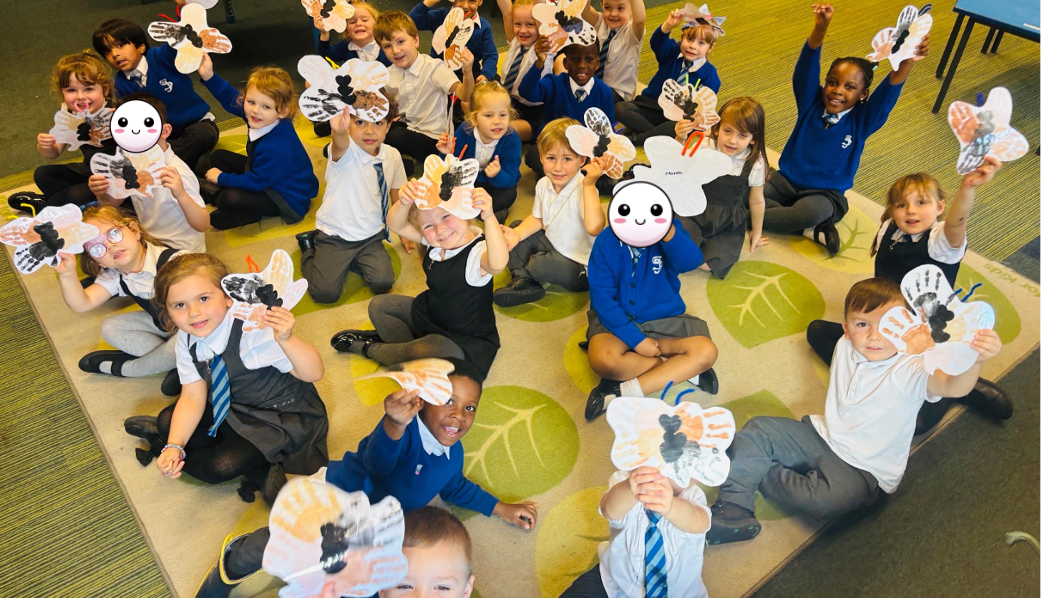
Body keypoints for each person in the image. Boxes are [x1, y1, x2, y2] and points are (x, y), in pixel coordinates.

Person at [193, 361, 536, 598]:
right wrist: (394, 423)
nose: (458, 415)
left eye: (469, 407)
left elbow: (453, 485)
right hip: (333, 503)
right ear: (422, 400)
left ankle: (279, 491)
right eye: (447, 401)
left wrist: (499, 507)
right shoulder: (402, 433)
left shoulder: (452, 453)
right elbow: (378, 461)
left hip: (371, 530)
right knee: (286, 547)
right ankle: (236, 556)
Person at [707, 277, 1002, 545]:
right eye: (863, 325)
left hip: (863, 468)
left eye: (888, 326)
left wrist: (974, 361)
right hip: (821, 434)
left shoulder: (912, 368)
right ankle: (734, 508)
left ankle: (756, 468)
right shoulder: (844, 344)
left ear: (907, 330)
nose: (874, 336)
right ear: (846, 329)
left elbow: (953, 387)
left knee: (824, 503)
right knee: (757, 428)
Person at [806, 158, 1012, 434]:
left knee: (918, 424)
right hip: (886, 328)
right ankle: (886, 374)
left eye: (921, 203)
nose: (910, 211)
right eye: (901, 204)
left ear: (939, 208)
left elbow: (956, 224)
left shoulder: (941, 240)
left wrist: (968, 188)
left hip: (926, 338)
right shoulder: (889, 227)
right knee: (817, 332)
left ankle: (961, 387)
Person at [122, 253, 329, 504]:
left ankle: (260, 466)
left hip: (276, 415)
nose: (194, 313)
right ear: (166, 310)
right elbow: (192, 396)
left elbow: (314, 373)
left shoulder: (255, 333)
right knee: (169, 421)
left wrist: (287, 340)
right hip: (232, 405)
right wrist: (175, 446)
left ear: (229, 298)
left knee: (220, 466)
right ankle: (170, 440)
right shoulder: (187, 339)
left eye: (204, 299)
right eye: (180, 305)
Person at [763, 3, 929, 255]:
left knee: (811, 212)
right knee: (747, 194)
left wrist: (906, 61)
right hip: (783, 182)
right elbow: (805, 70)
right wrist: (820, 29)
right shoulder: (810, 103)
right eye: (832, 82)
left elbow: (888, 93)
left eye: (849, 87)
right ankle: (808, 229)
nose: (838, 90)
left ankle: (786, 220)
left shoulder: (863, 121)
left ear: (863, 95)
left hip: (823, 195)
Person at [331, 183, 509, 380]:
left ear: (464, 211)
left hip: (463, 339)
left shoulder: (479, 254)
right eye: (428, 226)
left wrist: (490, 217)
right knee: (378, 306)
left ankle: (371, 348)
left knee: (443, 358)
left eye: (445, 216)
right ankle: (408, 353)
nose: (440, 230)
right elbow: (396, 224)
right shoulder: (433, 242)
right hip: (430, 315)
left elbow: (497, 263)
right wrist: (404, 203)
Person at [585, 182, 718, 421]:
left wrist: (669, 235)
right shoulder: (606, 241)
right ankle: (676, 368)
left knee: (706, 352)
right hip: (617, 322)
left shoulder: (669, 231)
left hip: (666, 319)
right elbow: (602, 299)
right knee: (603, 359)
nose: (640, 220)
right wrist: (637, 341)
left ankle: (621, 391)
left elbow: (691, 261)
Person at [57, 206, 184, 396]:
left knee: (182, 344)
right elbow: (82, 303)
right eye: (97, 248)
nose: (109, 245)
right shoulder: (116, 275)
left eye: (113, 234)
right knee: (111, 327)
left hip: (197, 328)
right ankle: (174, 361)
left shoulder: (176, 263)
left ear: (134, 230)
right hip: (167, 325)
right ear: (99, 262)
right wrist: (67, 275)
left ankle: (128, 368)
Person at [298, 93, 406, 304]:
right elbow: (339, 144)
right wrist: (338, 131)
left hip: (371, 234)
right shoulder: (345, 152)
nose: (369, 130)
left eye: (377, 122)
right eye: (359, 122)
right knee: (325, 293)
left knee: (383, 282)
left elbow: (396, 189)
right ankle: (309, 247)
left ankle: (352, 260)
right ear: (348, 126)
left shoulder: (392, 155)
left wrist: (403, 228)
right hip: (336, 235)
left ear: (388, 126)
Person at [196, 55, 319, 230]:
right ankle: (217, 192)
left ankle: (245, 210)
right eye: (251, 102)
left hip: (285, 197)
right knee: (217, 157)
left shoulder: (276, 147)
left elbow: (257, 182)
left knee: (228, 198)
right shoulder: (263, 117)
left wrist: (222, 178)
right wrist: (209, 76)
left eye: (266, 106)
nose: (255, 111)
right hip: (265, 174)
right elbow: (232, 99)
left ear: (283, 112)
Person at [494, 118, 605, 306]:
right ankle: (524, 280)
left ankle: (528, 273)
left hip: (577, 264)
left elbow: (595, 228)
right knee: (515, 228)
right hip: (552, 243)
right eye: (551, 158)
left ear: (582, 160)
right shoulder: (543, 184)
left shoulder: (585, 189)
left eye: (567, 159)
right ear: (541, 157)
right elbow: (538, 218)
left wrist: (589, 185)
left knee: (540, 264)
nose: (558, 167)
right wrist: (517, 234)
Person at [559, 466, 711, 598]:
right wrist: (632, 487)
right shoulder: (625, 481)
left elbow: (697, 522)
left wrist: (671, 506)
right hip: (616, 581)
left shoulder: (694, 496)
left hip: (679, 592)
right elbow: (609, 510)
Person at [87, 93, 209, 253]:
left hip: (181, 251)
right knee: (96, 255)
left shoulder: (177, 173)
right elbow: (110, 205)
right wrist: (102, 192)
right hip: (149, 243)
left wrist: (181, 194)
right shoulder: (131, 164)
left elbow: (203, 224)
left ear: (164, 131)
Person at [92, 19, 219, 170]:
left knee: (203, 134)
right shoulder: (119, 84)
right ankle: (190, 166)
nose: (115, 54)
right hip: (161, 138)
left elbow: (178, 42)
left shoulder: (160, 57)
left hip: (196, 125)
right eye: (107, 51)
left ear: (140, 46)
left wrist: (185, 10)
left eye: (120, 45)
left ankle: (160, 168)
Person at [8, 51, 118, 214]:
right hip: (89, 171)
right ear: (62, 93)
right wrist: (46, 145)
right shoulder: (69, 113)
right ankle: (66, 206)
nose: (81, 97)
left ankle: (45, 208)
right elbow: (54, 153)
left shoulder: (118, 114)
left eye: (88, 89)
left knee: (73, 195)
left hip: (115, 181)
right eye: (71, 90)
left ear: (105, 89)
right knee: (43, 174)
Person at [675, 97, 770, 278]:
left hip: (727, 222)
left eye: (742, 135)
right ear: (716, 129)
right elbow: (676, 165)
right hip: (694, 211)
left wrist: (756, 233)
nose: (732, 141)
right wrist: (680, 138)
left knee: (712, 263)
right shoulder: (704, 146)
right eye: (728, 131)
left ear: (753, 139)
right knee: (678, 249)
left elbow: (757, 201)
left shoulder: (756, 163)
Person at [375, 10, 476, 168]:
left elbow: (465, 94)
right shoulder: (387, 74)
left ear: (415, 40)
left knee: (395, 136)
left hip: (435, 139)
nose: (395, 51)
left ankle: (397, 162)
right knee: (376, 127)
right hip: (407, 126)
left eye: (400, 42)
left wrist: (467, 72)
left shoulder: (434, 67)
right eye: (387, 46)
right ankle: (398, 163)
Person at [615, 7, 721, 144]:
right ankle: (658, 136)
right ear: (682, 38)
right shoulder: (672, 53)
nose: (693, 46)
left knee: (680, 127)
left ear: (710, 47)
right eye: (689, 39)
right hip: (652, 105)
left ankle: (638, 138)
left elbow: (705, 106)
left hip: (677, 118)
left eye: (701, 43)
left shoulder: (710, 77)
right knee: (621, 109)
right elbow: (657, 42)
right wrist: (668, 26)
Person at [517, 41, 616, 174]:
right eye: (575, 59)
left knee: (603, 165)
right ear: (565, 63)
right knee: (534, 157)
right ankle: (567, 175)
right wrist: (539, 63)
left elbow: (607, 131)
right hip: (555, 145)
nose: (581, 65)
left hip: (585, 151)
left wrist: (598, 155)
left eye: (589, 59)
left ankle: (566, 176)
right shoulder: (554, 83)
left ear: (597, 63)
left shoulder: (604, 92)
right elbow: (527, 92)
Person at [436, 82, 523, 223]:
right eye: (488, 115)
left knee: (509, 194)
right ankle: (482, 211)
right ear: (474, 119)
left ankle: (479, 211)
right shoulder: (465, 131)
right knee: (444, 187)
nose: (497, 121)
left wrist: (497, 174)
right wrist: (446, 153)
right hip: (469, 181)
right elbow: (450, 170)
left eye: (503, 115)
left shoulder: (512, 139)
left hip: (495, 185)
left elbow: (510, 178)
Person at [410, 0, 499, 82]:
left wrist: (486, 75)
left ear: (480, 1)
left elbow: (491, 55)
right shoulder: (442, 16)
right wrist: (429, 2)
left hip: (467, 74)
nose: (465, 6)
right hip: (437, 70)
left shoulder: (483, 27)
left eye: (472, 1)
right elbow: (412, 22)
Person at [494, 0, 545, 142]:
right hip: (507, 100)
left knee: (501, 132)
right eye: (518, 24)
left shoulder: (543, 47)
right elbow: (506, 12)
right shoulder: (516, 41)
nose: (523, 30)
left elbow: (542, 15)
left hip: (532, 112)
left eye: (530, 24)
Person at [580, 0, 646, 103]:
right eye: (607, 8)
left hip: (619, 93)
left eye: (620, 8)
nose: (613, 14)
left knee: (590, 99)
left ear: (632, 10)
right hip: (594, 84)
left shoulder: (631, 33)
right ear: (601, 6)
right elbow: (584, 9)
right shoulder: (601, 22)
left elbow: (640, 20)